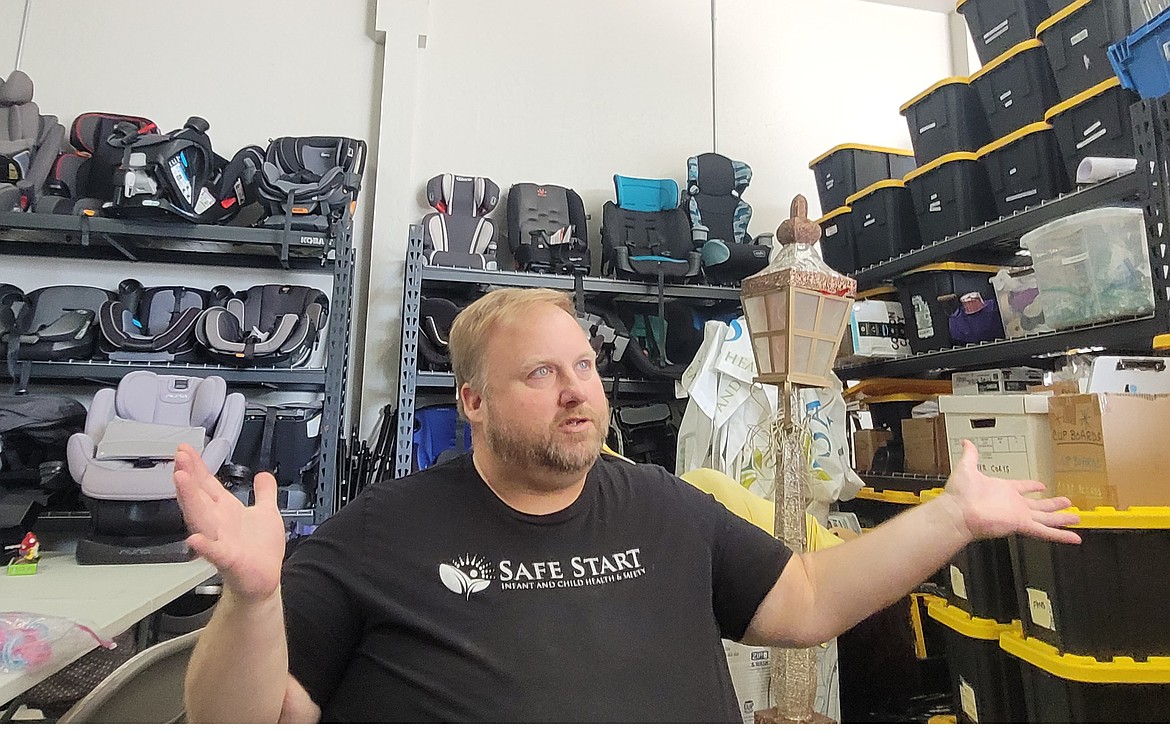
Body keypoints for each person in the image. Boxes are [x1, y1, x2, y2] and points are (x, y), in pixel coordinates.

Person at [177, 287, 1080, 723]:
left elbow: (805, 598)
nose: (578, 392)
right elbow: (241, 720)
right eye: (541, 373)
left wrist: (953, 516)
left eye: (583, 367)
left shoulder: (663, 504)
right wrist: (251, 600)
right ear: (475, 402)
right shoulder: (377, 532)